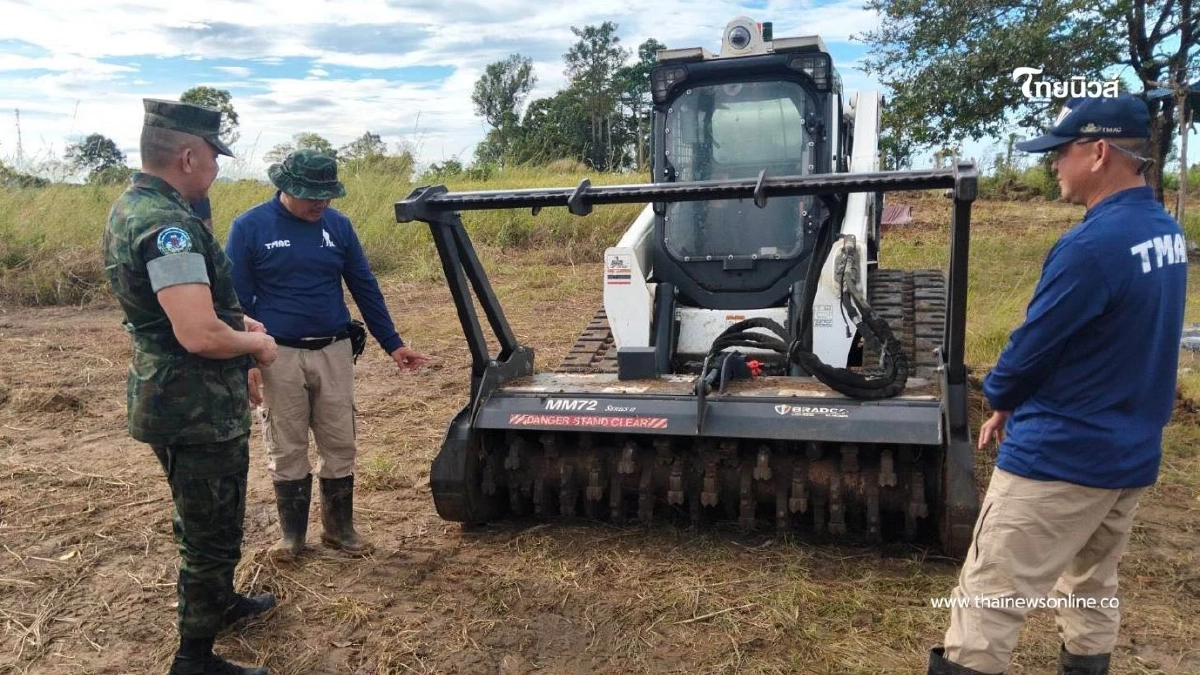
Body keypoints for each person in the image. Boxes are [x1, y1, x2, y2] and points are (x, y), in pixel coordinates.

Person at [928, 95, 1187, 675]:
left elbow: (1030, 350)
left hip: (1061, 458)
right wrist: (1016, 402)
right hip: (1129, 457)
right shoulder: (1165, 234)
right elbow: (1106, 343)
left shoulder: (1091, 248)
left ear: (1097, 152)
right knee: (1093, 584)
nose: (1051, 166)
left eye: (1058, 153)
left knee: (989, 600)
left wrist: (1000, 395)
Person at [103, 99, 280, 675]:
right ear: (187, 155)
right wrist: (256, 345)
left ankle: (219, 604)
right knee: (211, 528)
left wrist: (238, 323)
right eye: (212, 157)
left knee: (205, 513)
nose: (216, 168)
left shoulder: (134, 207)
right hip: (194, 404)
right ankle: (194, 658)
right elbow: (198, 333)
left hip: (175, 396)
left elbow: (192, 313)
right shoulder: (169, 227)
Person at [225, 149, 430, 560]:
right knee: (287, 442)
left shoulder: (338, 226)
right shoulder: (250, 227)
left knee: (340, 440)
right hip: (276, 354)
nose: (321, 203)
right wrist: (244, 361)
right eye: (311, 195)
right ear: (284, 187)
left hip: (335, 350)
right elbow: (234, 302)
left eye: (327, 195)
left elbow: (364, 285)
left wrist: (393, 343)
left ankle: (339, 529)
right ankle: (293, 537)